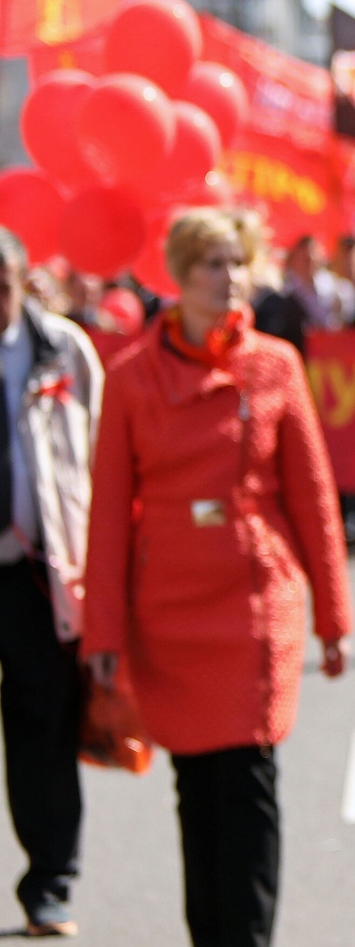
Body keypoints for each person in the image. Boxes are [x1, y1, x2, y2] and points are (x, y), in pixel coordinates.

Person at [82, 208, 353, 947]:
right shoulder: (133, 377)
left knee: (249, 779)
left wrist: (334, 617)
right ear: (179, 272)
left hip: (254, 603)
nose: (227, 278)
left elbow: (312, 497)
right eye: (211, 263)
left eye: (237, 262)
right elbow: (107, 515)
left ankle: (248, 937)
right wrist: (102, 631)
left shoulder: (275, 365)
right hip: (167, 611)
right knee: (197, 787)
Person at [0, 228, 102, 937]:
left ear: (22, 280)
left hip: (36, 570)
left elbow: (98, 451)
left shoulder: (62, 347)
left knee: (43, 726)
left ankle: (50, 883)